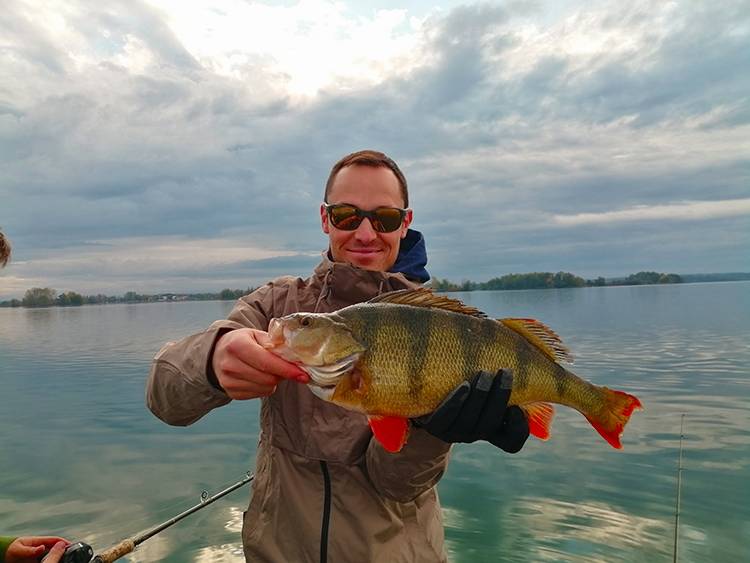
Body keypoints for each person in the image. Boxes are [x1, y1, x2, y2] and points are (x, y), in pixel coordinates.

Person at [146, 150, 529, 562]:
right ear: (326, 219)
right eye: (348, 216)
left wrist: (432, 433)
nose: (366, 234)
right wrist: (211, 358)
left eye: (384, 219)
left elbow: (396, 485)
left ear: (405, 223)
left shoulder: (430, 319)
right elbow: (165, 401)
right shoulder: (279, 308)